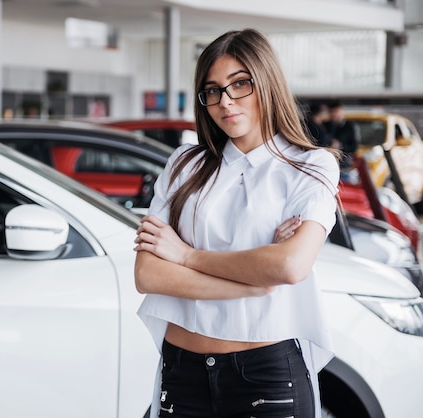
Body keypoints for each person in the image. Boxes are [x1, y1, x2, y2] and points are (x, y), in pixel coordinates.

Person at [134, 28, 341, 418]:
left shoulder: (311, 166)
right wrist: (253, 282)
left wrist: (185, 256)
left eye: (240, 84)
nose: (225, 102)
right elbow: (148, 275)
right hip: (184, 373)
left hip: (266, 376)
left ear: (266, 82)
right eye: (212, 91)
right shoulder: (184, 165)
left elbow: (288, 266)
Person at [323, 99, 360, 170]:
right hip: (327, 164)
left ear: (341, 111)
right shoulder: (325, 126)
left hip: (344, 165)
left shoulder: (350, 126)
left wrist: (340, 146)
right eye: (331, 112)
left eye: (335, 111)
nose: (333, 114)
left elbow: (355, 146)